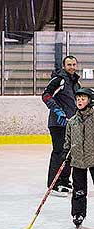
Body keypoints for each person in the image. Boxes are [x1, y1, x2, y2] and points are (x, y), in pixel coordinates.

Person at [42, 55, 80, 196]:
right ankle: (54, 184)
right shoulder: (60, 79)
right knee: (58, 152)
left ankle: (64, 180)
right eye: (69, 64)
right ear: (64, 66)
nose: (71, 67)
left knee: (68, 153)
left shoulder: (76, 83)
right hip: (58, 123)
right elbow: (46, 95)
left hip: (71, 124)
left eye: (74, 64)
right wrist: (57, 110)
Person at [62, 88, 94, 228]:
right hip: (78, 160)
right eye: (78, 99)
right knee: (79, 189)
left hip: (93, 158)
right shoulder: (72, 121)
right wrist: (65, 152)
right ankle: (78, 213)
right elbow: (67, 141)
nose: (80, 101)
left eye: (83, 98)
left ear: (90, 101)